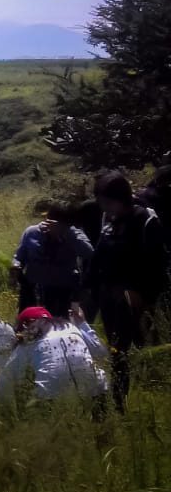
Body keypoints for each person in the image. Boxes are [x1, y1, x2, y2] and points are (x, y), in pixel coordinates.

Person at [89, 172, 167, 411]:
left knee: (138, 347)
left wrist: (138, 292)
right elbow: (99, 255)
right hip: (111, 295)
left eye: (107, 201)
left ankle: (144, 396)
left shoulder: (144, 219)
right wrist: (86, 290)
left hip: (137, 297)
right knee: (116, 348)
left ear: (121, 198)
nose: (103, 206)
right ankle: (119, 398)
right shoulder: (109, 220)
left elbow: (156, 263)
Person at [0, 306, 109, 410]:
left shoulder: (29, 337)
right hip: (96, 388)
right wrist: (83, 323)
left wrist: (6, 413)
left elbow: (5, 380)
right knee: (100, 428)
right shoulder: (70, 326)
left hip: (51, 395)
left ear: (24, 327)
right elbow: (101, 352)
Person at [10, 203, 93, 316]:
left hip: (61, 292)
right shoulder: (32, 233)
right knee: (29, 327)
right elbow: (19, 256)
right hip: (33, 290)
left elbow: (89, 252)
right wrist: (16, 266)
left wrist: (65, 232)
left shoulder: (72, 234)